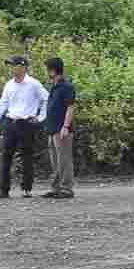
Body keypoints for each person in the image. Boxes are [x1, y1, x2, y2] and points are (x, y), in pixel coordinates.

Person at [0, 56, 49, 199]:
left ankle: (26, 188)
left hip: (26, 123)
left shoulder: (33, 84)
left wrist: (40, 118)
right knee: (5, 156)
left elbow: (47, 99)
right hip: (11, 122)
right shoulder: (9, 85)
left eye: (14, 65)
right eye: (10, 65)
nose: (11, 68)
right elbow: (2, 103)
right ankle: (3, 190)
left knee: (27, 156)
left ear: (22, 67)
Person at [40, 57, 77, 199]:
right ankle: (56, 187)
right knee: (55, 160)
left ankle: (66, 188)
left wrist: (66, 126)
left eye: (48, 69)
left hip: (62, 129)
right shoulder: (54, 87)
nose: (46, 72)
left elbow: (70, 108)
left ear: (53, 70)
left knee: (64, 159)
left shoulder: (66, 86)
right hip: (52, 129)